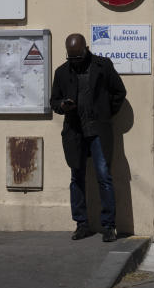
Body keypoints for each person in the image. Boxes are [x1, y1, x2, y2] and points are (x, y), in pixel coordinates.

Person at [50, 33, 127, 242]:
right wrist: (62, 106)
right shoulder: (62, 72)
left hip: (98, 132)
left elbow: (119, 92)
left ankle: (109, 226)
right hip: (75, 132)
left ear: (86, 49)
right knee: (77, 178)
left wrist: (104, 114)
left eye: (78, 56)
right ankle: (81, 224)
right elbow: (53, 101)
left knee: (104, 176)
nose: (75, 61)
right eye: (71, 58)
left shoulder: (102, 66)